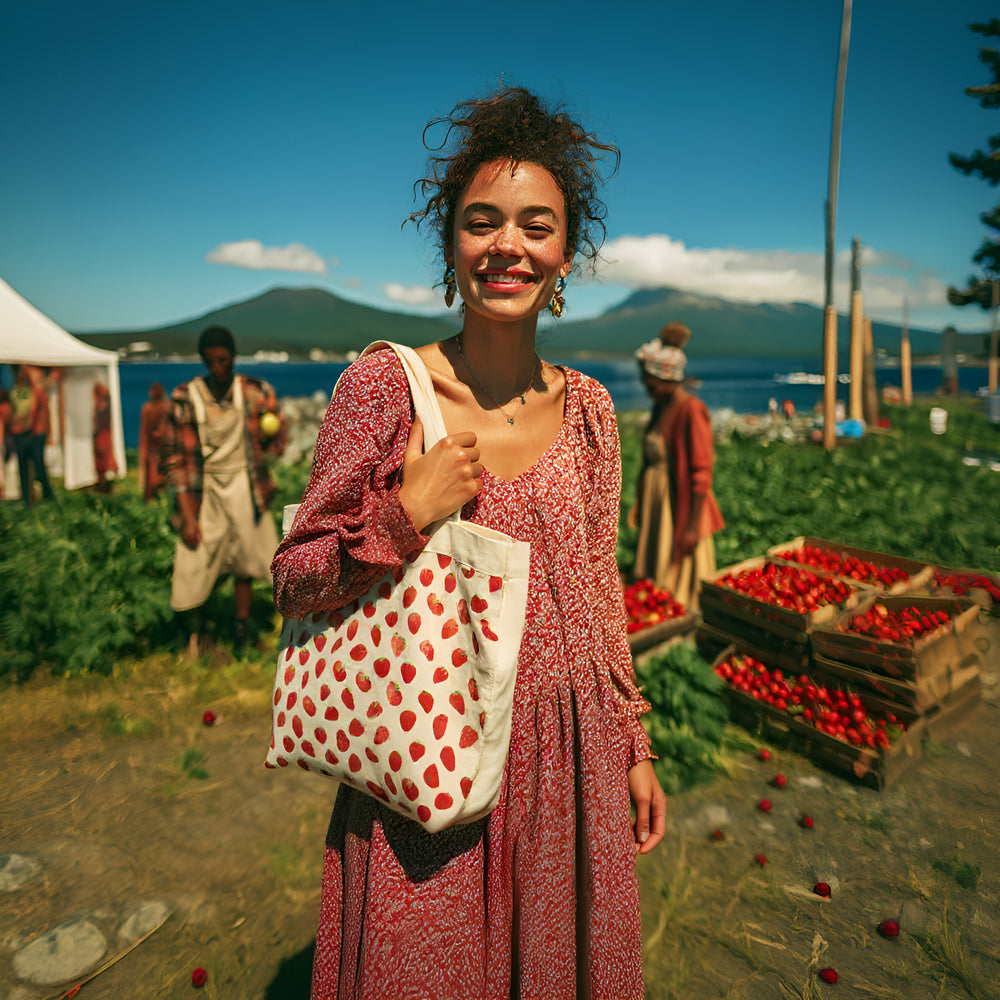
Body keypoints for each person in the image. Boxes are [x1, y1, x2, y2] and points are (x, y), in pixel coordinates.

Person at [271, 86, 667, 999]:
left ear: (565, 253)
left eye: (537, 226)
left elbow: (599, 595)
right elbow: (293, 579)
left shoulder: (594, 412)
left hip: (570, 765)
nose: (509, 246)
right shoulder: (383, 390)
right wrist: (400, 515)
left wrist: (633, 745)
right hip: (432, 761)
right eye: (482, 222)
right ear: (451, 244)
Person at [163, 326, 286, 655]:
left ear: (232, 357)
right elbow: (177, 463)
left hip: (246, 489)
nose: (217, 368)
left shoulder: (254, 392)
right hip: (205, 492)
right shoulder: (185, 398)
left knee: (248, 562)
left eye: (223, 360)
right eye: (210, 362)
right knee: (194, 559)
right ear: (203, 361)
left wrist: (272, 428)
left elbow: (276, 434)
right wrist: (188, 517)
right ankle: (196, 633)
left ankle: (242, 629)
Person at [629, 337, 724, 613]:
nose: (646, 386)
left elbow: (701, 472)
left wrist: (692, 526)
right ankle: (657, 606)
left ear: (665, 378)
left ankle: (682, 613)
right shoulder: (661, 406)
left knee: (679, 566)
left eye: (649, 380)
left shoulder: (690, 410)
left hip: (679, 502)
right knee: (657, 562)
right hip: (658, 499)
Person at [8, 366, 56, 507]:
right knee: (26, 467)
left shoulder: (37, 392)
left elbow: (36, 414)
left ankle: (46, 496)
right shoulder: (19, 391)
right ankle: (29, 498)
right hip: (25, 434)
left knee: (38, 467)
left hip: (33, 434)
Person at [137, 382, 171, 502]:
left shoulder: (148, 407)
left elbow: (144, 430)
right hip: (162, 446)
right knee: (159, 474)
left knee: (154, 475)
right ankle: (158, 497)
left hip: (156, 447)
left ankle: (154, 498)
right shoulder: (166, 406)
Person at [92, 382, 118, 493]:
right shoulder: (103, 404)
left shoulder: (102, 405)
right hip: (101, 434)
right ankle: (103, 481)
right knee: (101, 457)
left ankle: (105, 482)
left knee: (103, 456)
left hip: (102, 435)